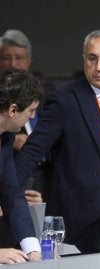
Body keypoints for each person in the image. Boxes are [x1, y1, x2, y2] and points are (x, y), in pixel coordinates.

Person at [15, 29, 100, 253]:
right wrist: (7, 194)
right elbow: (31, 152)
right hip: (94, 220)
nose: (99, 66)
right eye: (92, 58)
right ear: (84, 60)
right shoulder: (64, 102)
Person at [0, 29, 55, 203]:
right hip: (14, 169)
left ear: (29, 60)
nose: (13, 64)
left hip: (45, 174)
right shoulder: (7, 136)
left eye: (19, 57)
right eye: (6, 58)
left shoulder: (46, 90)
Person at [0, 70, 42, 263]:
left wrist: (32, 248)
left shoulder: (6, 136)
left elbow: (12, 194)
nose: (32, 117)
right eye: (31, 111)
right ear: (13, 109)